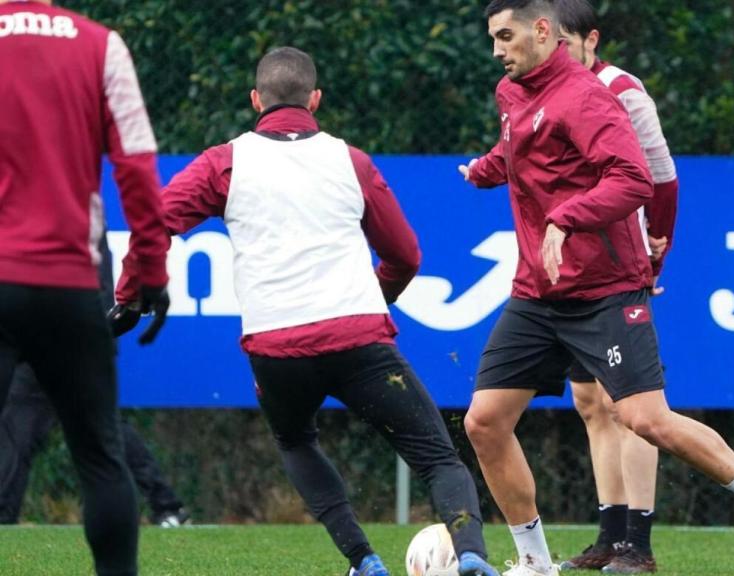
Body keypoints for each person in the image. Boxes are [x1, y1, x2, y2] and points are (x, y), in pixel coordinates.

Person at [113, 46, 500, 576]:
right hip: (361, 342)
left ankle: (363, 560)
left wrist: (129, 293)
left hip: (276, 350)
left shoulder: (223, 162)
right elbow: (406, 256)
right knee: (437, 459)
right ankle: (472, 554)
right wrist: (376, 297)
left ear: (255, 100)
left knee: (295, 440)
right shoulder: (351, 161)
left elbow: (151, 225)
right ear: (315, 99)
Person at [458, 2, 734, 575]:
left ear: (541, 31)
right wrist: (487, 169)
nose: (497, 49)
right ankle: (534, 562)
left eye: (505, 36)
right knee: (484, 422)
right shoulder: (511, 91)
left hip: (604, 290)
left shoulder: (590, 97)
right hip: (538, 292)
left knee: (647, 420)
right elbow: (522, 150)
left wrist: (567, 218)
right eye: (493, 38)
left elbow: (634, 179)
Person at [0, 0, 171, 574]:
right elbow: (137, 168)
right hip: (68, 280)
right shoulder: (100, 44)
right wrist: (152, 270)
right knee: (99, 456)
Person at [554, 0, 678, 571]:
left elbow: (659, 173)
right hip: (565, 272)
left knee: (628, 405)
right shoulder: (535, 90)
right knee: (589, 402)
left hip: (616, 265)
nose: (554, 53)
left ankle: (639, 544)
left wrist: (659, 243)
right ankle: (609, 535)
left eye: (564, 41)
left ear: (591, 39)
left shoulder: (622, 89)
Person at [0, 235, 188, 528]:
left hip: (73, 339)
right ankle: (4, 518)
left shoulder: (77, 213)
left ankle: (166, 506)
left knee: (102, 429)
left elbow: (95, 282)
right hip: (42, 338)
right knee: (17, 428)